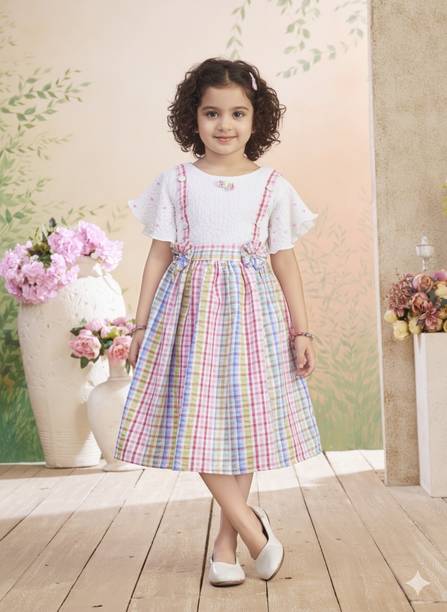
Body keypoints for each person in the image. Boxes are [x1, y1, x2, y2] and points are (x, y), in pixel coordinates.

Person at [113, 57, 322, 587]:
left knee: (242, 423)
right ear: (193, 118)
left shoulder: (272, 186)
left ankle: (226, 546)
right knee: (195, 422)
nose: (224, 125)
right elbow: (158, 256)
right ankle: (253, 529)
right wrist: (139, 326)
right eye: (212, 113)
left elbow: (284, 259)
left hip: (254, 314)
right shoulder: (176, 182)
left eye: (237, 113)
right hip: (188, 315)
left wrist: (301, 331)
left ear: (256, 119)